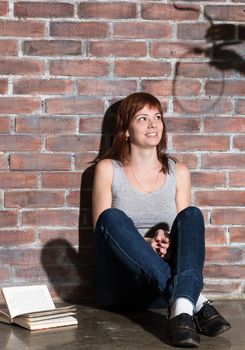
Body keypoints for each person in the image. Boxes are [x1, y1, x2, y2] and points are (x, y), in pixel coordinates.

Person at [92, 92, 231, 347]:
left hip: (159, 293)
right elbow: (104, 232)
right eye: (142, 118)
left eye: (157, 117)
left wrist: (168, 242)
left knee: (191, 215)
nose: (153, 124)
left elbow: (186, 244)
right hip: (119, 286)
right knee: (110, 216)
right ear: (125, 130)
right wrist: (145, 243)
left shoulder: (178, 172)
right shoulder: (108, 169)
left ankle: (180, 309)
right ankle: (194, 302)